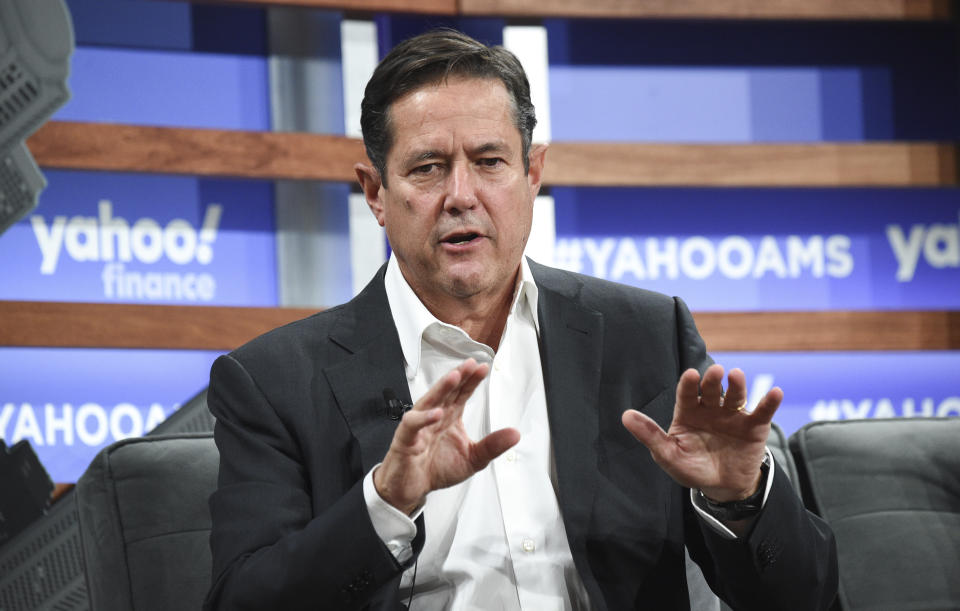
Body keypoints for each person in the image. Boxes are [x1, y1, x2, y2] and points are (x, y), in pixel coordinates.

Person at [204, 29, 838, 611]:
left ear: (533, 173)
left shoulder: (646, 335)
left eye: (489, 161)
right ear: (375, 193)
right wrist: (385, 504)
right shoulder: (274, 381)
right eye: (427, 168)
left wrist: (742, 498)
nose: (460, 194)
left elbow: (806, 600)